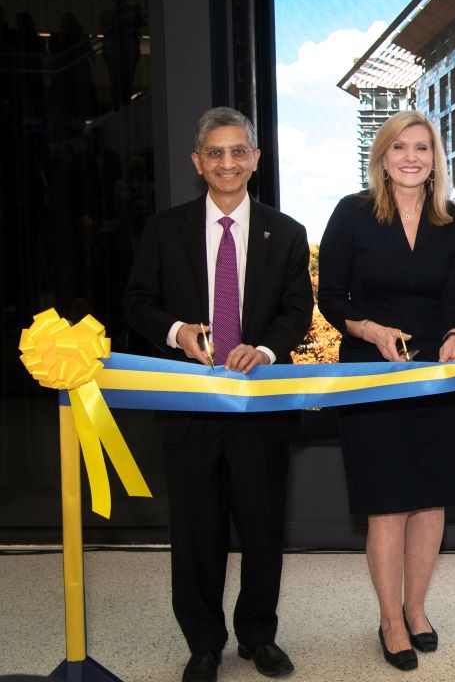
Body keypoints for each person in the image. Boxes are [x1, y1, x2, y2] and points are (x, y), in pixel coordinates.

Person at [124, 107, 312, 682]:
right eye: (216, 153)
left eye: (239, 152)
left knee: (261, 529)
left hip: (258, 411)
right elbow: (136, 302)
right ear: (197, 162)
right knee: (197, 531)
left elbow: (296, 311)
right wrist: (178, 333)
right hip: (190, 410)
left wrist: (267, 352)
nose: (228, 163)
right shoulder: (164, 230)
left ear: (256, 160)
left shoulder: (287, 233)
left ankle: (259, 636)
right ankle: (203, 643)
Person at [317, 111, 455, 673]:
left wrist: (454, 339)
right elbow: (331, 296)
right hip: (369, 373)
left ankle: (416, 608)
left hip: (435, 374)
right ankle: (388, 619)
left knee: (430, 499)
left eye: (423, 148)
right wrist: (369, 329)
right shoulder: (352, 214)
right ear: (382, 158)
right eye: (400, 147)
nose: (412, 157)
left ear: (435, 160)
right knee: (386, 503)